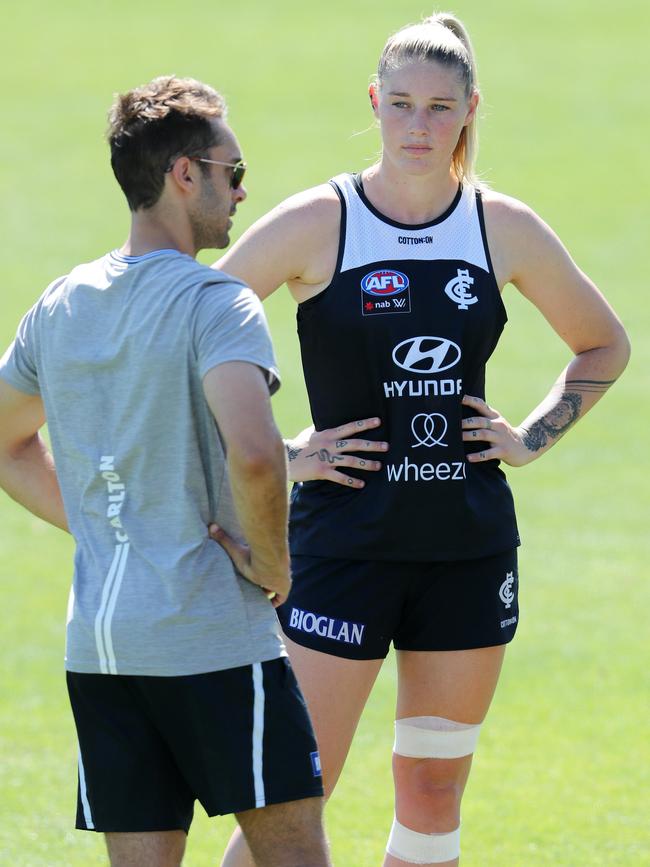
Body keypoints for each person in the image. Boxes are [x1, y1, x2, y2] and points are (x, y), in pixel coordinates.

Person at [211, 13, 631, 867]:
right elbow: (192, 331)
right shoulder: (318, 221)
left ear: (471, 110)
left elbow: (605, 342)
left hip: (465, 550)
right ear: (373, 102)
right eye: (400, 104)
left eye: (440, 108)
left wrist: (532, 437)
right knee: (297, 796)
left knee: (433, 788)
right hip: (338, 552)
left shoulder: (499, 225)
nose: (417, 125)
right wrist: (283, 454)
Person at [0, 76, 332, 867]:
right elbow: (255, 453)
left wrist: (104, 520)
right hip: (214, 638)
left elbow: (5, 441)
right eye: (233, 169)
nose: (244, 190)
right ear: (186, 173)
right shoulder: (217, 304)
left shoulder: (60, 303)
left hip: (105, 651)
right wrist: (275, 564)